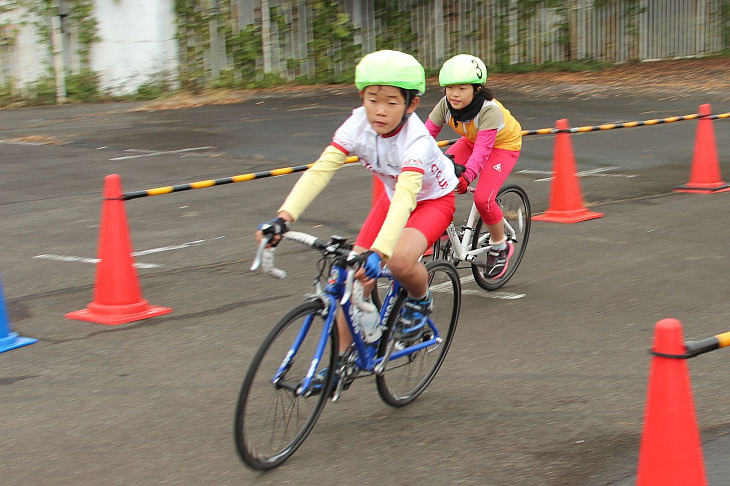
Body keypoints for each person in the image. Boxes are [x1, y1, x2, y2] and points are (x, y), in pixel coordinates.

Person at [255, 50, 458, 358]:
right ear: (362, 97)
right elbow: (322, 169)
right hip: (392, 199)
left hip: (432, 200)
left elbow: (407, 195)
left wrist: (380, 252)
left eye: (392, 101)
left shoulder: (416, 139)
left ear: (410, 104)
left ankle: (419, 301)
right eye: (372, 99)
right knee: (348, 276)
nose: (380, 110)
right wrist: (283, 218)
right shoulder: (357, 124)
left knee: (399, 261)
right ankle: (342, 360)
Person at [425, 54, 523, 279]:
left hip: (503, 145)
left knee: (483, 199)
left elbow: (483, 151)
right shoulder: (445, 105)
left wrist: (467, 176)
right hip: (470, 140)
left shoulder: (489, 110)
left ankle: (500, 246)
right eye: (450, 88)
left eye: (462, 88)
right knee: (437, 179)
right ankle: (437, 225)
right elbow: (424, 136)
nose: (454, 94)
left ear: (477, 89)